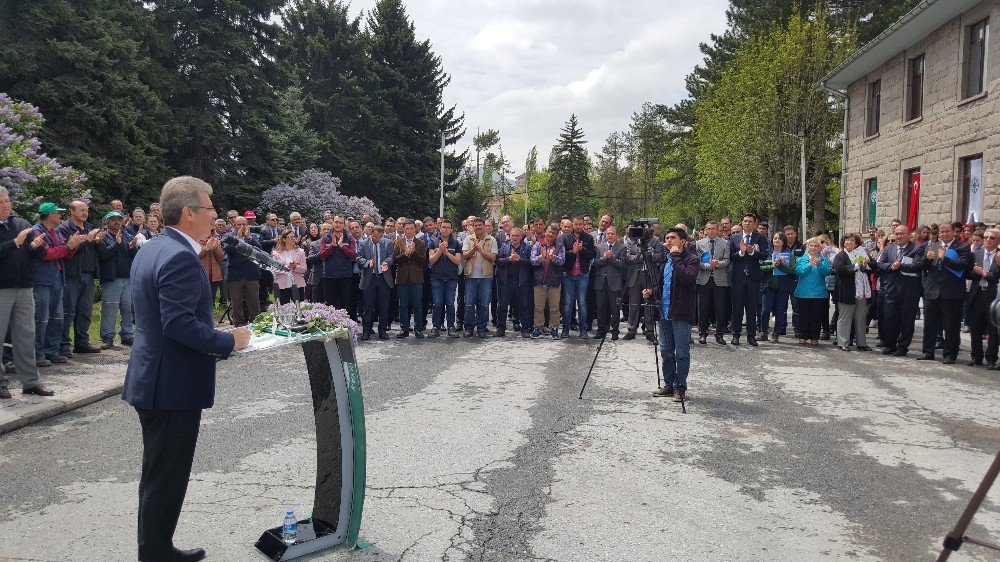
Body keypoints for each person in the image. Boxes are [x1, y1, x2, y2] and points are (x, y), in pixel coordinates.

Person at [122, 176, 250, 562]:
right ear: (190, 212)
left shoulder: (154, 247)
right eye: (210, 208)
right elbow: (176, 324)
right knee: (167, 476)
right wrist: (229, 341)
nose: (215, 215)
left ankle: (157, 547)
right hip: (170, 383)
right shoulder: (178, 254)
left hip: (153, 377)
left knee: (158, 473)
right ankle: (156, 554)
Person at [0, 187, 54, 399]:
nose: (6, 205)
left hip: (24, 287)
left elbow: (39, 254)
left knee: (26, 337)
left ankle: (30, 382)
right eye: (1, 202)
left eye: (7, 201)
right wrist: (15, 243)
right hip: (1, 289)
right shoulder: (17, 233)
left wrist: (35, 246)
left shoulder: (22, 224)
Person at [33, 202, 85, 366]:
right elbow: (46, 254)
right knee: (41, 319)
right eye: (57, 213)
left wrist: (73, 246)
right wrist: (68, 246)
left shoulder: (55, 231)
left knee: (56, 317)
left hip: (57, 278)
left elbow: (64, 253)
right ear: (50, 215)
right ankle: (38, 354)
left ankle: (52, 351)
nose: (60, 216)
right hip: (42, 280)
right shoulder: (36, 231)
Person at [653, 227, 699, 402]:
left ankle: (681, 388)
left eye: (673, 237)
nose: (669, 241)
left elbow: (687, 278)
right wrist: (652, 291)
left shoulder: (691, 259)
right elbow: (664, 285)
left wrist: (676, 257)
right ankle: (669, 384)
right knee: (666, 351)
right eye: (667, 238)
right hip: (664, 312)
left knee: (681, 352)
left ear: (683, 241)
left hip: (681, 312)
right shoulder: (666, 261)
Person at [918, 221, 972, 364]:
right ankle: (928, 352)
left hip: (952, 293)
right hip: (932, 292)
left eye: (947, 231)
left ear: (954, 231)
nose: (944, 234)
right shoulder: (932, 246)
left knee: (951, 325)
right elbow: (923, 267)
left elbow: (962, 266)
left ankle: (949, 355)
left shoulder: (963, 247)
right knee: (929, 324)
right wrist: (927, 259)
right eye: (941, 232)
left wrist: (944, 258)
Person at [57, 200, 103, 356]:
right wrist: (87, 240)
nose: (85, 212)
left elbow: (96, 251)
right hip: (71, 275)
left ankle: (82, 343)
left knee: (85, 312)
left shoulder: (89, 227)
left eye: (87, 210)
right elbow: (66, 251)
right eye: (82, 210)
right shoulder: (64, 228)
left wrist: (97, 241)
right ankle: (63, 346)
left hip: (88, 275)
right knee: (68, 311)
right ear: (72, 212)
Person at [876, 225, 925, 356]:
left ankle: (903, 346)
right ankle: (890, 345)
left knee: (907, 321)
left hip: (909, 291)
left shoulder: (917, 248)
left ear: (909, 235)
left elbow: (917, 265)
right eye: (897, 233)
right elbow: (880, 265)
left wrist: (900, 265)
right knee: (889, 319)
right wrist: (892, 266)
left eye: (902, 233)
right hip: (891, 290)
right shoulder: (888, 248)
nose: (898, 236)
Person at [96, 211, 139, 349]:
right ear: (106, 222)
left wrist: (132, 248)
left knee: (127, 309)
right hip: (111, 279)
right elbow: (103, 255)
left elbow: (132, 255)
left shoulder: (127, 235)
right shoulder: (102, 236)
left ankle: (127, 335)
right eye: (113, 219)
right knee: (110, 309)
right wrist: (116, 243)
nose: (117, 222)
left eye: (119, 219)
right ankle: (108, 337)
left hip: (127, 278)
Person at [729, 213, 768, 346]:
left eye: (750, 221)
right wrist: (741, 252)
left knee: (752, 307)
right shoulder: (734, 238)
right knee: (737, 307)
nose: (747, 223)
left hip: (753, 278)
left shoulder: (760, 238)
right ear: (741, 223)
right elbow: (730, 257)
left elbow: (764, 255)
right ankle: (735, 334)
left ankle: (751, 335)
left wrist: (752, 252)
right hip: (738, 278)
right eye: (745, 221)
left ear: (755, 224)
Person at [832, 233, 873, 352]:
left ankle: (862, 343)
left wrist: (866, 265)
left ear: (856, 243)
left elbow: (874, 265)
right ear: (843, 243)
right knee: (845, 317)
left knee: (861, 318)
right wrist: (856, 266)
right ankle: (843, 342)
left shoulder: (862, 253)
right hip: (846, 291)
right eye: (846, 240)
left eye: (852, 241)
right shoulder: (841, 255)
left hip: (862, 291)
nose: (849, 242)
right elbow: (839, 269)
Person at [966, 228, 1000, 369]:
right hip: (977, 293)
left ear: (998, 240)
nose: (988, 240)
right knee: (975, 326)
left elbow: (995, 277)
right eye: (986, 237)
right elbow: (968, 274)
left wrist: (985, 273)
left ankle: (991, 358)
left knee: (993, 329)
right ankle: (976, 356)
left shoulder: (999, 256)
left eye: (992, 238)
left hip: (993, 295)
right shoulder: (975, 254)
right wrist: (976, 273)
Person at [695, 221, 731, 345]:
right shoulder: (699, 244)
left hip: (720, 279)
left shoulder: (725, 243)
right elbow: (696, 262)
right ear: (705, 230)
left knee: (720, 308)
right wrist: (706, 266)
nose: (710, 231)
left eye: (713, 229)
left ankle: (719, 334)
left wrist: (717, 264)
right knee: (702, 308)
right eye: (708, 229)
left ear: (717, 230)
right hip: (704, 279)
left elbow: (727, 261)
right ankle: (702, 334)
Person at [624, 229, 663, 341]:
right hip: (634, 276)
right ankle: (631, 329)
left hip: (650, 275)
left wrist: (649, 255)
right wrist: (640, 257)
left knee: (648, 305)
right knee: (633, 304)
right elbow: (627, 257)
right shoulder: (632, 241)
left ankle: (649, 330)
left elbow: (660, 256)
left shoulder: (656, 241)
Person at [357, 225, 395, 340]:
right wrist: (368, 263)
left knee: (384, 306)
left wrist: (387, 263)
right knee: (367, 306)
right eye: (374, 237)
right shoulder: (363, 243)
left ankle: (382, 330)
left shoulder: (387, 242)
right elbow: (358, 258)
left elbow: (391, 256)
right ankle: (366, 331)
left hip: (383, 278)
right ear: (370, 233)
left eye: (379, 237)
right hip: (370, 278)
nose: (377, 239)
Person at [561, 216, 597, 339]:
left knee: (582, 303)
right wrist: (573, 251)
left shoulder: (588, 237)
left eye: (580, 224)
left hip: (583, 275)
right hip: (569, 275)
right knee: (568, 303)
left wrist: (582, 250)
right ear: (572, 225)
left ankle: (583, 329)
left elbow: (593, 254)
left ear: (583, 224)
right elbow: (562, 256)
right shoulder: (565, 238)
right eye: (575, 224)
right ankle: (566, 328)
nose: (577, 226)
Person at [461, 217, 497, 338]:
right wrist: (474, 250)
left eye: (480, 225)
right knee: (469, 304)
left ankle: (481, 328)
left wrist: (481, 251)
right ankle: (469, 328)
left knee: (484, 304)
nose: (477, 227)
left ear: (484, 226)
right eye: (475, 225)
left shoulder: (491, 240)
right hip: (470, 276)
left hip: (485, 277)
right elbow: (465, 256)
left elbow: (493, 257)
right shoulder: (468, 239)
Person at [223, 216, 262, 327]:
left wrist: (249, 238)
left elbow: (259, 249)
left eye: (244, 224)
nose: (242, 227)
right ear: (234, 225)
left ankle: (256, 322)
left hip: (251, 273)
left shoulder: (253, 236)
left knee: (254, 301)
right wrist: (237, 238)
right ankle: (239, 323)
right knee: (237, 302)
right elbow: (228, 251)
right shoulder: (228, 236)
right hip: (235, 274)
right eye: (239, 225)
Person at [794, 237, 832, 346]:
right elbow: (799, 272)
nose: (813, 248)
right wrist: (809, 265)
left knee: (816, 316)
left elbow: (827, 272)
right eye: (811, 245)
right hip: (803, 293)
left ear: (820, 248)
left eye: (816, 246)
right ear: (807, 247)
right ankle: (803, 336)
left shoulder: (824, 259)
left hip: (819, 293)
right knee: (803, 315)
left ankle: (815, 337)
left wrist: (820, 264)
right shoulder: (801, 259)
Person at [495, 227, 533, 338]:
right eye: (513, 236)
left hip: (521, 282)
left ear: (521, 237)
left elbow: (531, 264)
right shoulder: (503, 246)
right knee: (502, 306)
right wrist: (509, 259)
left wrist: (519, 260)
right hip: (505, 281)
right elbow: (497, 261)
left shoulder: (527, 247)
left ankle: (525, 329)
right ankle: (501, 328)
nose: (515, 238)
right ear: (509, 236)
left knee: (524, 306)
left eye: (517, 236)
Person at [427, 219, 462, 338]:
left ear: (451, 229)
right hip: (437, 277)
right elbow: (431, 260)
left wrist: (446, 253)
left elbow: (457, 261)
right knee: (437, 303)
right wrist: (440, 251)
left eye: (448, 227)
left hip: (451, 278)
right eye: (443, 227)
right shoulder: (433, 243)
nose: (446, 229)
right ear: (439, 228)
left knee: (450, 303)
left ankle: (451, 327)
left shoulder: (456, 243)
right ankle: (436, 327)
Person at [759, 232, 795, 343]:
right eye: (775, 238)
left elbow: (792, 270)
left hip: (783, 287)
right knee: (765, 311)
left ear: (783, 241)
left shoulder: (788, 254)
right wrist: (771, 266)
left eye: (779, 238)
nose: (777, 240)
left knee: (779, 311)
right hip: (768, 286)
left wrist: (781, 266)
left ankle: (776, 333)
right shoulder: (766, 253)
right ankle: (763, 332)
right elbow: (760, 267)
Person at [317, 216, 358, 314]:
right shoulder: (326, 238)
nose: (338, 224)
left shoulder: (349, 238)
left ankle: (345, 326)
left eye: (340, 222)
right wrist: (332, 245)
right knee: (331, 304)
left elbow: (353, 255)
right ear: (332, 223)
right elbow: (321, 256)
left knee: (345, 303)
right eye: (336, 222)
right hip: (329, 276)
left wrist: (341, 246)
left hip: (345, 276)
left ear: (344, 224)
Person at [592, 226, 627, 340]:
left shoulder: (622, 248)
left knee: (615, 308)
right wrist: (604, 258)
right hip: (600, 281)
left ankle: (615, 331)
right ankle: (601, 330)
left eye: (612, 234)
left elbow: (622, 265)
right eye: (608, 234)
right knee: (601, 307)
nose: (610, 236)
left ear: (616, 235)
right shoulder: (600, 247)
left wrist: (611, 258)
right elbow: (595, 264)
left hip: (614, 282)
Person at [394, 220, 427, 338]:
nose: (409, 231)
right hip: (402, 277)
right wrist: (405, 253)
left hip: (416, 278)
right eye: (407, 228)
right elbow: (395, 260)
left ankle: (418, 328)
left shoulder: (420, 243)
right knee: (403, 305)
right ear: (403, 229)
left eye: (411, 228)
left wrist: (413, 253)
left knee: (417, 304)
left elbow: (423, 261)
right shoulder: (399, 242)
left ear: (415, 229)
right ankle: (404, 328)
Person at [530, 224, 565, 339]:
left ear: (556, 235)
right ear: (546, 232)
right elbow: (532, 260)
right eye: (549, 232)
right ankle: (538, 327)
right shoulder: (537, 245)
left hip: (554, 281)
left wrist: (553, 257)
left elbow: (562, 260)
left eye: (553, 233)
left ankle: (554, 328)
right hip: (539, 280)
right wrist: (541, 257)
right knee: (538, 307)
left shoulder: (560, 246)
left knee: (554, 307)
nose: (550, 235)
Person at [272, 229, 307, 304]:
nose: (293, 238)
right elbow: (274, 270)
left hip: (298, 284)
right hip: (282, 285)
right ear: (284, 239)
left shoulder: (301, 251)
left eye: (294, 236)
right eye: (290, 237)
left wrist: (295, 267)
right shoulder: (276, 253)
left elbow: (304, 269)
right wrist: (287, 267)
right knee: (284, 310)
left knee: (301, 308)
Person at [199, 227, 225, 309]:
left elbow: (221, 258)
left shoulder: (216, 241)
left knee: (212, 299)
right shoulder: (197, 241)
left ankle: (211, 317)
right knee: (202, 299)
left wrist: (216, 248)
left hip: (214, 275)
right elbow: (196, 256)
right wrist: (206, 249)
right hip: (201, 274)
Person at [304, 223, 329, 303]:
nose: (326, 231)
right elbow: (309, 259)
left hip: (333, 278)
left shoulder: (338, 244)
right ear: (320, 231)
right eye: (324, 229)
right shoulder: (314, 244)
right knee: (317, 306)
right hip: (318, 279)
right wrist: (321, 254)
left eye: (328, 229)